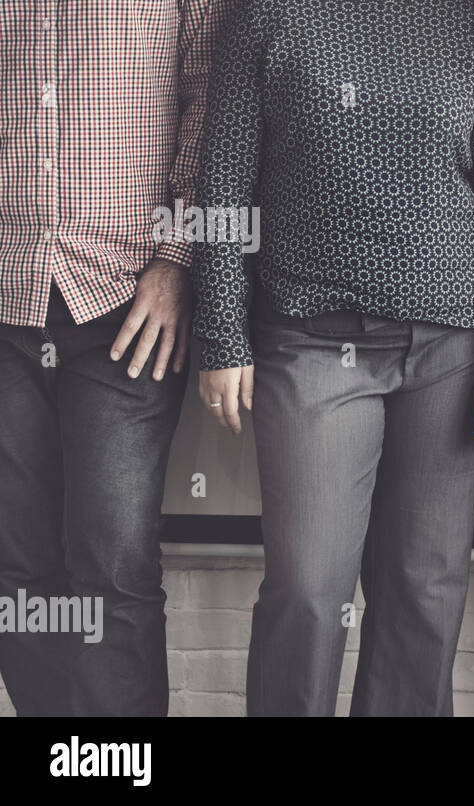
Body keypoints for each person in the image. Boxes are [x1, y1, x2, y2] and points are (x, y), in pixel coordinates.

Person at [192, 0, 474, 716]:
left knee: (424, 588)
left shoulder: (470, 17)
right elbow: (224, 183)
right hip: (310, 340)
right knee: (310, 587)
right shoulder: (264, 14)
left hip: (451, 347)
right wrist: (222, 333)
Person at [0, 0, 230, 716]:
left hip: (126, 304)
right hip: (6, 297)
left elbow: (211, 103)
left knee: (111, 565)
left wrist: (177, 259)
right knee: (18, 573)